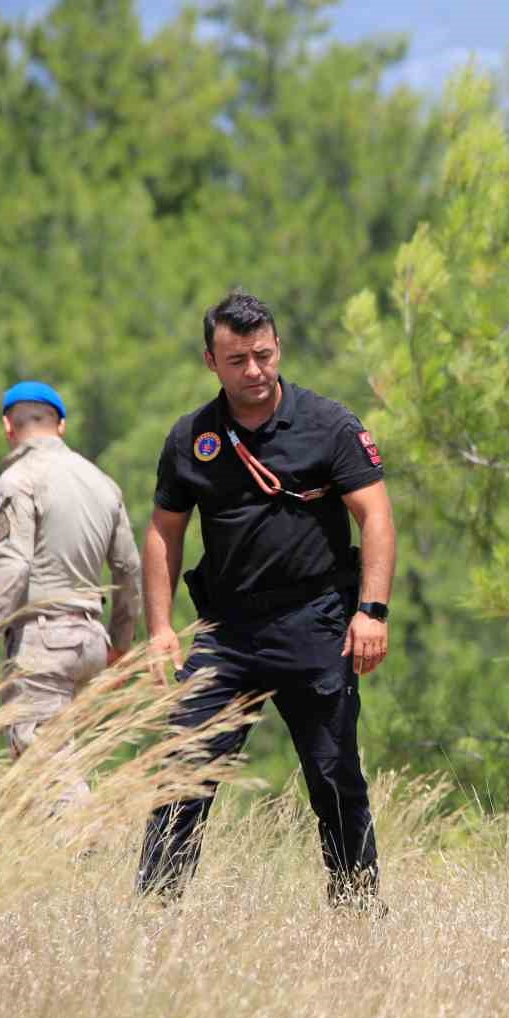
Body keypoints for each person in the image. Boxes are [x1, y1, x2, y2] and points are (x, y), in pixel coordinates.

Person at [135, 290, 397, 912]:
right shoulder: (190, 438)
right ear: (211, 361)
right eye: (237, 360)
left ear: (278, 348)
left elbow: (377, 518)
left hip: (317, 623)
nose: (254, 371)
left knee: (334, 777)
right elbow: (162, 532)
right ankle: (153, 915)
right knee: (183, 771)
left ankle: (358, 911)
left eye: (263, 355)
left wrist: (372, 611)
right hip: (228, 634)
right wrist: (160, 629)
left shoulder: (330, 425)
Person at [0, 380, 143, 806]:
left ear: (8, 427)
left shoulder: (18, 479)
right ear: (61, 425)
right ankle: (61, 867)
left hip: (44, 640)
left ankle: (93, 847)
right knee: (55, 764)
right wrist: (120, 643)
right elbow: (129, 568)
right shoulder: (103, 483)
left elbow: (14, 563)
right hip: (90, 642)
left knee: (43, 766)